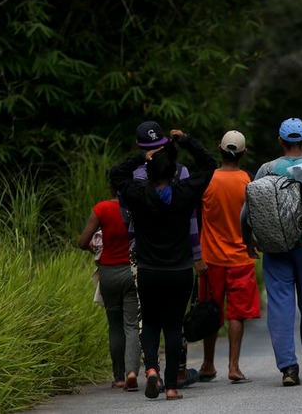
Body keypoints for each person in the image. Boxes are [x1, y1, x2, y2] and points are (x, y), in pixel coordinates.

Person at [109, 129, 216, 401]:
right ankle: (170, 387)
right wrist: (186, 140)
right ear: (172, 174)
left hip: (148, 271)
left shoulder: (139, 196)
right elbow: (209, 164)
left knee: (152, 324)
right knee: (172, 327)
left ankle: (152, 370)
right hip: (179, 272)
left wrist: (141, 157)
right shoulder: (184, 194)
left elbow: (116, 175)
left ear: (150, 171)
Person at [241, 118, 302, 387]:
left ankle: (289, 367)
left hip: (275, 246)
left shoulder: (267, 169)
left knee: (280, 306)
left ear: (280, 141)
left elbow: (248, 209)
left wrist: (248, 239)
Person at [127, 121, 204, 389]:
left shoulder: (135, 178)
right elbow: (191, 218)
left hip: (144, 257)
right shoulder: (181, 173)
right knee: (173, 324)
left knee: (146, 319)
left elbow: (128, 213)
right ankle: (174, 380)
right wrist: (196, 254)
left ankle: (151, 371)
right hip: (178, 260)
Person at [197, 130, 261, 384]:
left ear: (219, 149)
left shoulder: (206, 181)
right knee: (237, 314)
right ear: (243, 154)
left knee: (211, 312)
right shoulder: (249, 182)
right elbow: (254, 219)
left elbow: (195, 219)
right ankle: (234, 367)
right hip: (241, 259)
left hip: (210, 258)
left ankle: (208, 364)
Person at [78, 186, 141, 392]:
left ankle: (119, 377)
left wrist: (93, 246)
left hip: (108, 273)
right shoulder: (136, 208)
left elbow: (82, 242)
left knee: (115, 326)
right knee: (131, 325)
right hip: (131, 271)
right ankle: (132, 372)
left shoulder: (102, 209)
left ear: (111, 188)